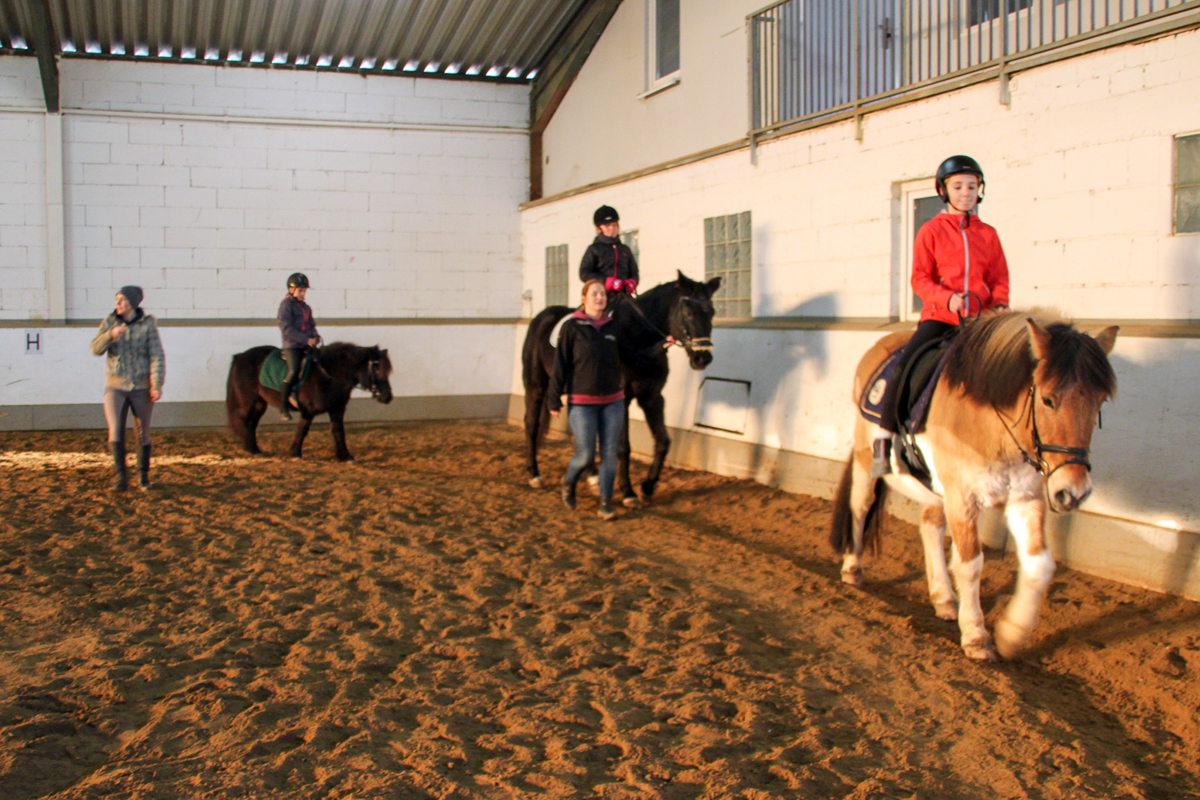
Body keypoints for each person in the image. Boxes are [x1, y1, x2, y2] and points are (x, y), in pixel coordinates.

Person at [873, 155, 1010, 476]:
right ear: (944, 190)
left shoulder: (988, 234)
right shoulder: (930, 231)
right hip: (940, 317)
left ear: (981, 190)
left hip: (981, 320)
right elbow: (919, 278)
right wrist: (948, 300)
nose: (966, 192)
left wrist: (1000, 305)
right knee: (906, 364)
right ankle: (884, 436)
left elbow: (998, 278)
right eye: (958, 186)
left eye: (972, 186)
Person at [547, 279, 626, 521]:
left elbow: (632, 355)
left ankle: (605, 502)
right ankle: (569, 481)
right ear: (584, 298)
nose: (599, 298)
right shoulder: (573, 327)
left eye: (602, 294)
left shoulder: (614, 327)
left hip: (613, 401)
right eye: (594, 294)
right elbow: (560, 364)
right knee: (586, 455)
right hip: (582, 403)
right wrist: (554, 399)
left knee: (610, 453)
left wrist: (659, 347)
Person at [90, 286, 165, 491]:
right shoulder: (109, 322)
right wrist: (110, 335)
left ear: (132, 303)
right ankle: (121, 477)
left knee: (143, 433)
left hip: (141, 386)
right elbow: (95, 349)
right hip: (115, 385)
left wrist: (156, 384)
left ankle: (143, 476)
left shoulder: (148, 324)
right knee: (115, 430)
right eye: (117, 300)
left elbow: (156, 355)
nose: (118, 304)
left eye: (122, 300)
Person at [277, 272, 321, 421]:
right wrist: (305, 339)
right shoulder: (286, 305)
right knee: (295, 369)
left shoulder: (306, 308)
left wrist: (315, 336)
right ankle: (283, 405)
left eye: (304, 291)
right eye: (300, 291)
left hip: (306, 344)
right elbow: (286, 328)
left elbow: (311, 325)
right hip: (292, 345)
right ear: (291, 290)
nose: (303, 294)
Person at [579, 205, 639, 297]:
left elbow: (634, 272)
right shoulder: (594, 249)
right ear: (599, 229)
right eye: (607, 225)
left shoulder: (625, 249)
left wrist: (632, 282)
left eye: (614, 225)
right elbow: (584, 273)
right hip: (601, 294)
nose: (612, 228)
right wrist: (607, 281)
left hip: (623, 295)